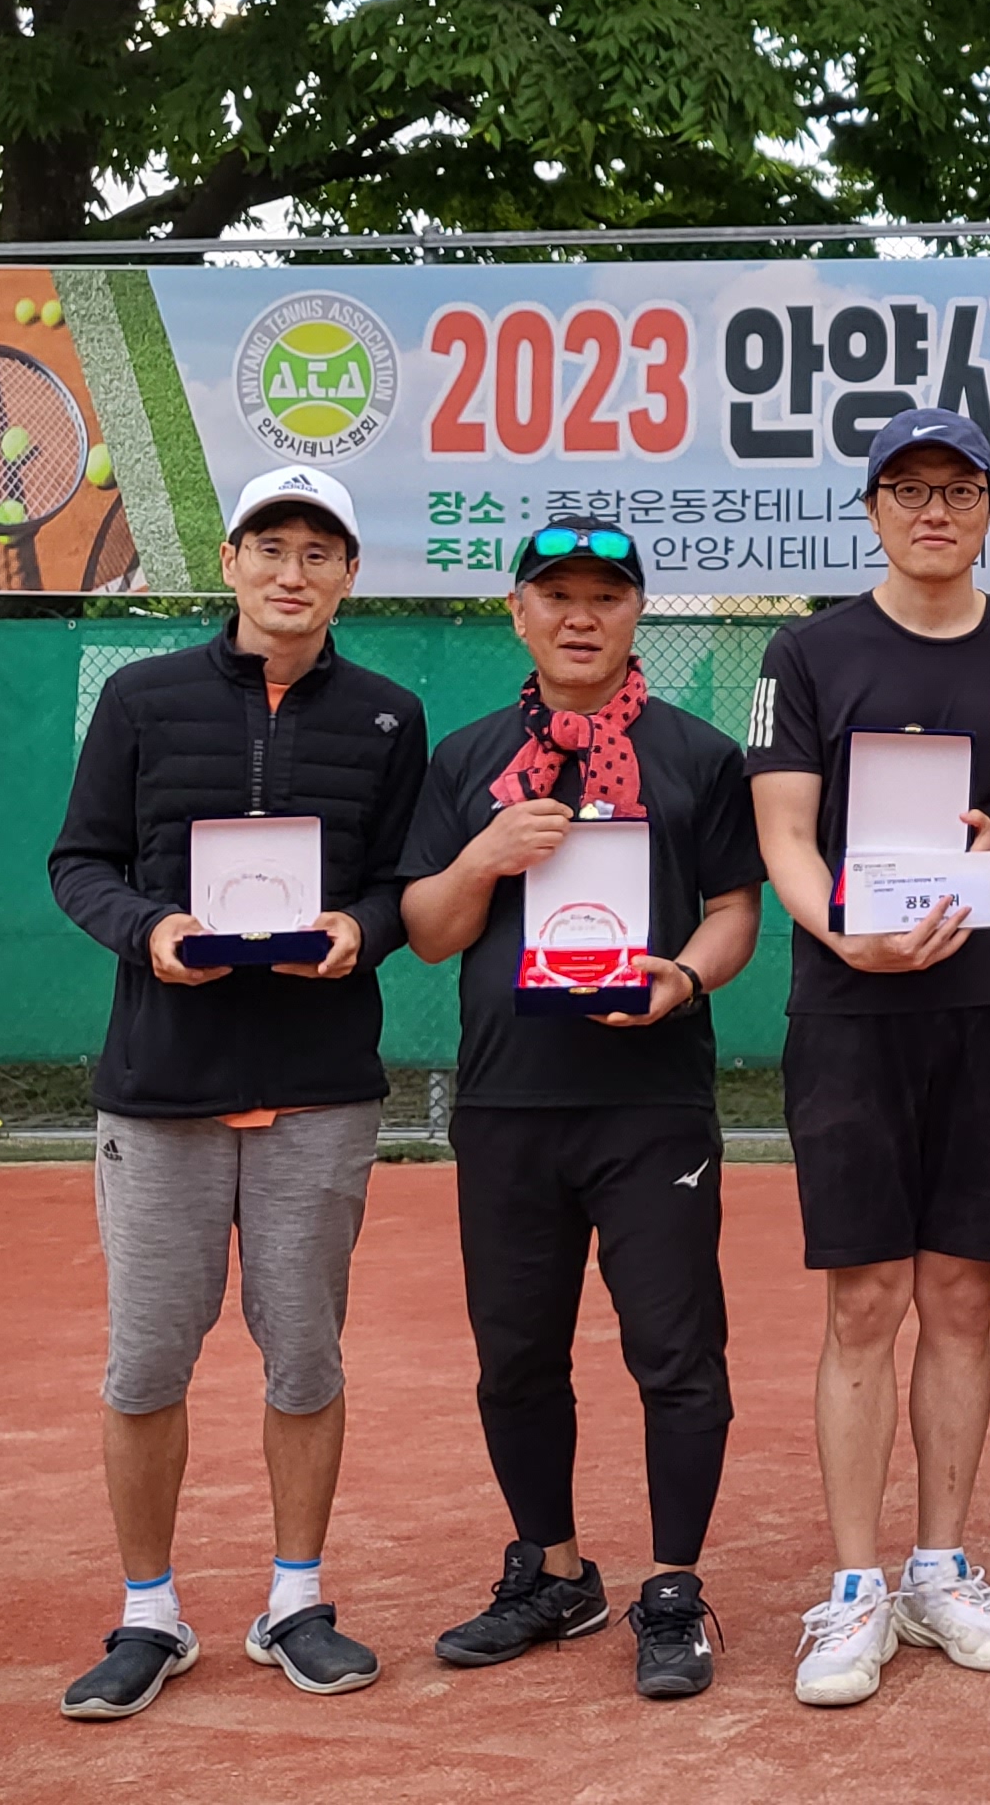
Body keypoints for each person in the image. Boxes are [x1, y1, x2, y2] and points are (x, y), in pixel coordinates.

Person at [46, 465, 427, 1720]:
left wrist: (360, 930)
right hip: (162, 1087)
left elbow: (400, 882)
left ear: (348, 573)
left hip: (318, 1088)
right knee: (147, 1359)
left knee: (304, 1353)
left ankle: (294, 1600)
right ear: (231, 560)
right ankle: (148, 1611)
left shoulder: (389, 714)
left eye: (319, 551)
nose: (291, 571)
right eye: (271, 545)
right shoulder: (141, 697)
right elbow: (80, 859)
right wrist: (149, 928)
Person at [744, 409, 990, 1709]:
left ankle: (940, 1569)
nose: (933, 510)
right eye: (907, 488)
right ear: (873, 507)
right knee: (862, 1301)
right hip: (850, 1007)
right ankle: (853, 1588)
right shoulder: (808, 649)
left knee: (959, 1296)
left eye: (957, 489)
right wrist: (842, 930)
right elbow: (783, 830)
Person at [398, 520, 765, 1699]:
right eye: (556, 593)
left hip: (651, 1104)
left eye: (606, 594)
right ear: (518, 612)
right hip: (508, 1099)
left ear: (635, 612)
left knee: (676, 1352)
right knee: (515, 1353)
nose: (580, 615)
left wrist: (684, 977)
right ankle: (552, 1571)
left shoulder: (697, 754)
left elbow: (735, 909)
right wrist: (485, 855)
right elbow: (429, 931)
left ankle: (673, 1586)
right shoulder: (467, 759)